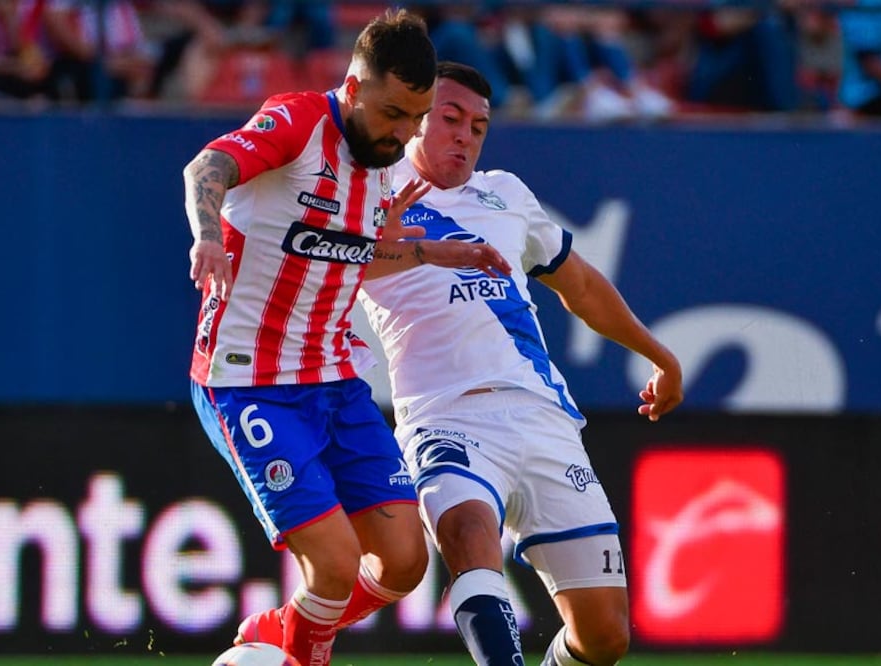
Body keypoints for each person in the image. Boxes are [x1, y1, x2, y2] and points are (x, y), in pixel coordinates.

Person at [182, 11, 509, 666]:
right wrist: (209, 235)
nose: (403, 134)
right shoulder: (299, 122)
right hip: (248, 385)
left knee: (404, 561)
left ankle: (282, 632)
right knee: (332, 566)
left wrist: (439, 253)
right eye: (392, 114)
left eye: (415, 119)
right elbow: (207, 167)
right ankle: (306, 651)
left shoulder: (386, 165)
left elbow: (356, 246)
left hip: (333, 381)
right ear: (354, 90)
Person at [357, 62, 684, 666]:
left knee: (606, 637)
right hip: (444, 416)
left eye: (478, 127)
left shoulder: (505, 194)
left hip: (543, 419)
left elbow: (580, 286)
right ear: (416, 118)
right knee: (467, 535)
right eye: (449, 119)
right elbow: (323, 262)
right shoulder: (371, 190)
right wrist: (393, 243)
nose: (464, 136)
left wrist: (659, 355)